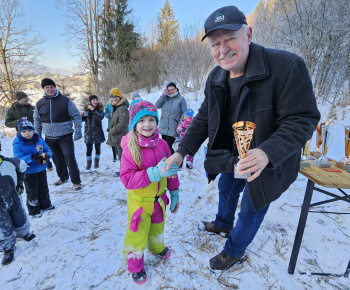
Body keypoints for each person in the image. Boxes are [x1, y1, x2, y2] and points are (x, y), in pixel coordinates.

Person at [165, 5, 320, 270]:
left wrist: (267, 152)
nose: (222, 49)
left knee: (252, 206)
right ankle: (223, 223)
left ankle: (234, 250)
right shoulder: (215, 76)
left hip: (266, 161)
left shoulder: (286, 66)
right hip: (232, 153)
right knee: (226, 188)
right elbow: (204, 116)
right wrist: (182, 150)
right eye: (216, 43)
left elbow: (303, 118)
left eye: (230, 39)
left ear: (248, 34)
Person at [120, 100, 180, 284]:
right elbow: (127, 179)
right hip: (140, 202)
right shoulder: (131, 149)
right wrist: (153, 173)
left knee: (158, 227)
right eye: (142, 121)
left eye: (151, 119)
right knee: (137, 234)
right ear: (134, 124)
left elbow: (170, 170)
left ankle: (156, 247)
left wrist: (174, 191)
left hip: (159, 201)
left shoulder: (163, 145)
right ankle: (135, 265)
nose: (147, 125)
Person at [34, 78, 83, 191]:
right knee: (57, 159)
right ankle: (63, 177)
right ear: (44, 89)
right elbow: (37, 120)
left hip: (65, 135)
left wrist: (78, 131)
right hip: (49, 137)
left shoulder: (65, 100)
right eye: (47, 87)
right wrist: (38, 135)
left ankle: (76, 181)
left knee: (69, 157)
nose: (50, 89)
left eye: (52, 87)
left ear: (55, 87)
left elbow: (76, 115)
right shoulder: (40, 103)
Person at [0, 141, 36, 265]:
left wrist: (20, 183)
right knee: (3, 226)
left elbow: (22, 166)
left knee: (19, 216)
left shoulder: (9, 162)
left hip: (13, 198)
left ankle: (23, 233)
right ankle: (8, 248)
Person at [13, 118, 55, 218]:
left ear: (33, 130)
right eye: (24, 131)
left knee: (43, 188)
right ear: (20, 132)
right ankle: (34, 210)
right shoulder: (18, 144)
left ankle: (45, 204)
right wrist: (32, 157)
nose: (27, 133)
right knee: (32, 191)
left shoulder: (39, 140)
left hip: (41, 169)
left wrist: (47, 156)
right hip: (29, 172)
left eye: (30, 130)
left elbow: (49, 151)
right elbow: (19, 160)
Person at [155, 82, 187, 154]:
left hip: (173, 127)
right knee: (165, 147)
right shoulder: (165, 98)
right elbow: (157, 105)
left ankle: (177, 160)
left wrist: (180, 124)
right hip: (164, 126)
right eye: (169, 90)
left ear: (176, 89)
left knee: (168, 146)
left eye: (173, 89)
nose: (171, 91)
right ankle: (170, 161)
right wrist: (163, 95)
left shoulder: (181, 99)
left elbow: (184, 112)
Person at [106, 88, 129, 177]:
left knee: (122, 156)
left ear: (119, 97)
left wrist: (112, 130)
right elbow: (114, 120)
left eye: (116, 97)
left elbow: (122, 124)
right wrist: (109, 127)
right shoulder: (117, 107)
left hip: (121, 136)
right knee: (121, 155)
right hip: (117, 135)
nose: (114, 98)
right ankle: (123, 171)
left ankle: (124, 172)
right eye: (112, 97)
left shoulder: (122, 108)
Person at [82, 95, 105, 170]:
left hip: (97, 132)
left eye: (96, 100)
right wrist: (81, 116)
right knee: (88, 149)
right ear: (90, 101)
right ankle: (88, 164)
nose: (95, 101)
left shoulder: (100, 109)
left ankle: (96, 163)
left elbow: (100, 117)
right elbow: (82, 119)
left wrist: (93, 110)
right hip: (88, 132)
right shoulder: (85, 109)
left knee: (97, 148)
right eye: (93, 100)